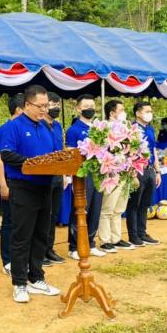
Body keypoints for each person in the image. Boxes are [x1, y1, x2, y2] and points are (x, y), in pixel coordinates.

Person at [0, 84, 61, 303]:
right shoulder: (14, 127)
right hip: (23, 187)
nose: (44, 110)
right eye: (40, 106)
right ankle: (19, 283)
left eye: (46, 106)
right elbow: (6, 154)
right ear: (27, 104)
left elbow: (55, 155)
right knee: (22, 237)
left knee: (41, 234)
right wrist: (32, 163)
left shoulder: (46, 127)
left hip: (45, 186)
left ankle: (37, 277)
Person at [66, 94, 105, 260]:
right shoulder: (74, 130)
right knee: (80, 208)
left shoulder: (98, 128)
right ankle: (74, 246)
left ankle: (90, 243)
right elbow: (70, 154)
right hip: (82, 174)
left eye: (92, 106)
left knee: (95, 208)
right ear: (78, 109)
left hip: (98, 173)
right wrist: (71, 176)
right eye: (86, 106)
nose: (90, 109)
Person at [97, 100, 136, 253]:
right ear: (112, 113)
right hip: (111, 173)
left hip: (124, 172)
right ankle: (105, 240)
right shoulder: (104, 128)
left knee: (119, 208)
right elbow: (101, 151)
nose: (124, 113)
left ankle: (116, 238)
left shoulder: (126, 128)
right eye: (121, 110)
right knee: (107, 208)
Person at [0, 93, 23, 276]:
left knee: (22, 222)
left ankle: (21, 258)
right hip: (10, 182)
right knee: (10, 222)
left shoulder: (26, 128)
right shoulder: (4, 130)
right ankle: (8, 261)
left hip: (25, 183)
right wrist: (3, 185)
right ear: (19, 110)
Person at [125, 101, 162, 247]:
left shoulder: (150, 129)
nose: (150, 114)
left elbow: (154, 150)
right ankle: (133, 235)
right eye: (147, 111)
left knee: (145, 203)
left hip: (150, 169)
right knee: (134, 203)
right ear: (137, 113)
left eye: (150, 111)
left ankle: (142, 232)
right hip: (137, 169)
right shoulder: (131, 129)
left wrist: (157, 171)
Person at [43, 92, 66, 265]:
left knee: (53, 215)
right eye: (52, 104)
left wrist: (64, 174)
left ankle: (49, 249)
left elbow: (62, 150)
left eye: (57, 105)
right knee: (43, 214)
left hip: (58, 175)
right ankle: (40, 251)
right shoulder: (39, 125)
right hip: (43, 175)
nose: (55, 108)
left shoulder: (57, 126)